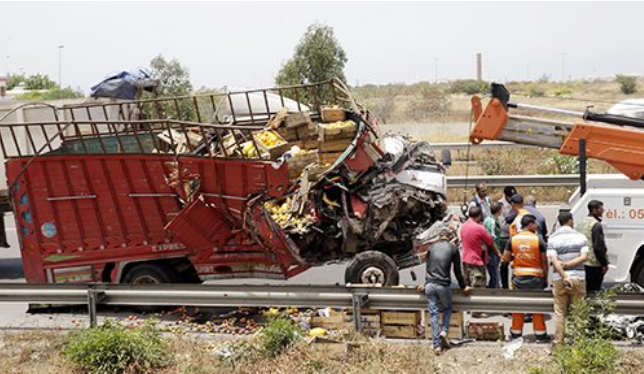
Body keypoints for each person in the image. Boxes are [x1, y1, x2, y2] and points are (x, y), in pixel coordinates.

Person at [417, 229, 472, 355]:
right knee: (447, 308)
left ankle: (436, 345)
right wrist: (463, 286)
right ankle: (444, 331)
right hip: (443, 285)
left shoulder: (431, 247)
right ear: (449, 237)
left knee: (434, 314)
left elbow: (429, 267)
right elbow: (457, 271)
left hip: (430, 284)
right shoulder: (453, 249)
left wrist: (425, 284)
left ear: (439, 236)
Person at [503, 214, 550, 342]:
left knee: (518, 306)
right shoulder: (538, 239)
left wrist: (517, 256)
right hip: (536, 278)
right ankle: (540, 335)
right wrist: (546, 277)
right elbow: (544, 261)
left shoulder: (513, 240)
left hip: (519, 278)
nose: (536, 226)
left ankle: (516, 334)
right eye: (534, 224)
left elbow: (505, 259)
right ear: (530, 225)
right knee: (537, 307)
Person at [548, 212, 589, 345]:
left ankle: (559, 343)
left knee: (560, 312)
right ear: (570, 221)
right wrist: (569, 265)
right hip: (578, 278)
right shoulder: (581, 237)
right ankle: (579, 343)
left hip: (559, 279)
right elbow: (583, 258)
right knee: (578, 312)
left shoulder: (553, 239)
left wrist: (564, 275)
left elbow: (554, 261)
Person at [460, 206, 501, 289]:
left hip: (465, 261)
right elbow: (491, 242)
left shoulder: (463, 226)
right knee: (478, 290)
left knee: (468, 287)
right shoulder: (479, 228)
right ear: (479, 216)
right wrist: (499, 254)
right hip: (476, 262)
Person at [576, 200, 609, 292]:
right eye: (601, 209)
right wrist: (604, 263)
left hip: (581, 262)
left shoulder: (581, 223)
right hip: (593, 264)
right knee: (594, 291)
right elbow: (598, 246)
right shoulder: (596, 225)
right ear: (594, 210)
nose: (602, 211)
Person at [499, 186, 517, 289]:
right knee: (504, 262)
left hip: (513, 237)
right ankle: (505, 285)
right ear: (505, 195)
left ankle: (514, 284)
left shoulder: (514, 203)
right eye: (509, 196)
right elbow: (502, 223)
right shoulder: (501, 205)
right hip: (504, 237)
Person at [484, 202, 502, 288]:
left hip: (491, 252)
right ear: (499, 211)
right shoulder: (492, 222)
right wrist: (498, 253)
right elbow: (492, 240)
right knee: (494, 276)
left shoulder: (488, 219)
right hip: (492, 253)